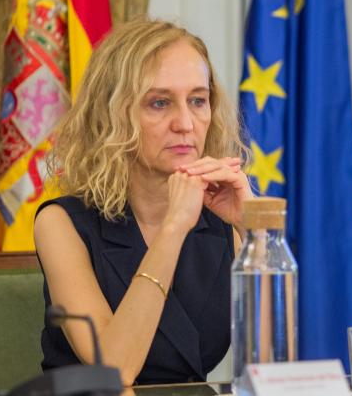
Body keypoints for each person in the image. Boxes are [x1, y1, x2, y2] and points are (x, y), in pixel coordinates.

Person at [34, 19, 253, 385]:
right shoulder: (62, 222)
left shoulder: (220, 219)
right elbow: (115, 371)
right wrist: (173, 229)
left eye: (198, 100)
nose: (185, 123)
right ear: (112, 116)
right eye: (159, 103)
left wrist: (255, 231)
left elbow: (282, 362)